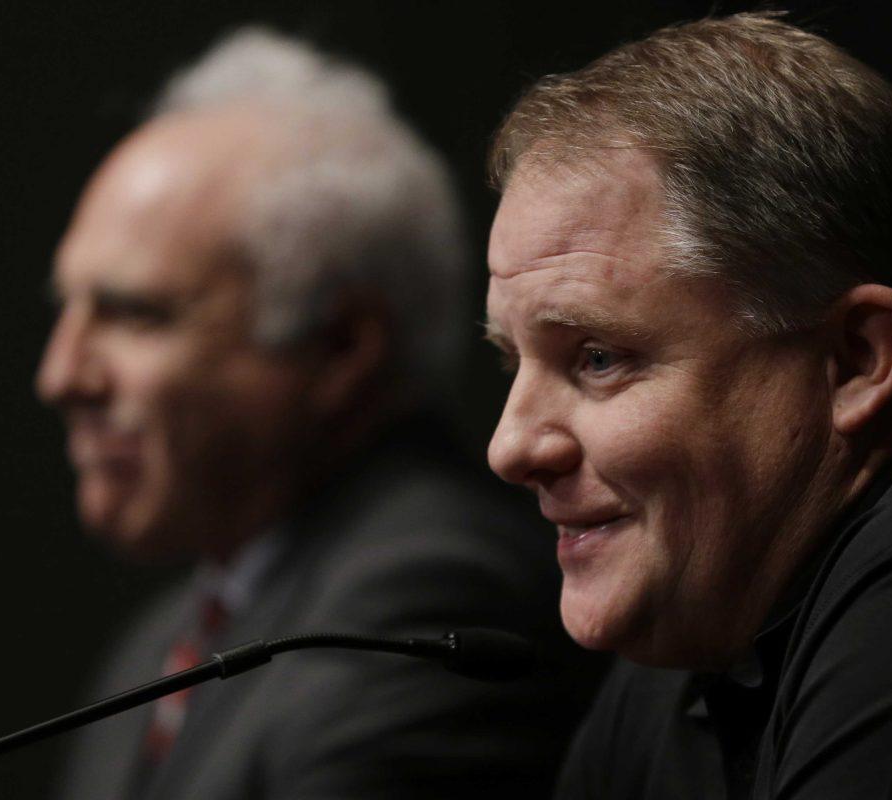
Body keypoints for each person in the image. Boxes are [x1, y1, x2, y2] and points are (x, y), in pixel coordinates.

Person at [483, 12, 892, 799]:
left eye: (597, 359)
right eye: (511, 361)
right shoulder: (703, 612)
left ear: (854, 360)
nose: (510, 446)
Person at [38, 28, 597, 800]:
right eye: (67, 309)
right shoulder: (162, 643)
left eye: (136, 315)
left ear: (339, 347)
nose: (61, 375)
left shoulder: (425, 597)